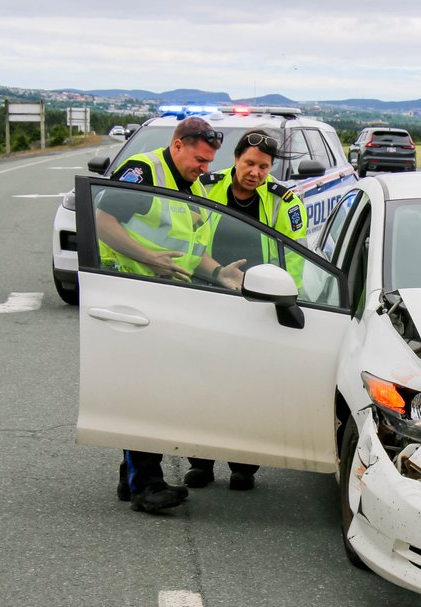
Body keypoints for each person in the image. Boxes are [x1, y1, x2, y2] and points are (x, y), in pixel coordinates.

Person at [97, 116, 244, 512]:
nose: (205, 168)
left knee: (154, 392)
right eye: (199, 158)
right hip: (130, 294)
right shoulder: (145, 172)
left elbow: (187, 253)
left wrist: (217, 272)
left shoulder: (192, 187)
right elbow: (101, 220)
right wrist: (147, 257)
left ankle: (134, 480)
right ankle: (147, 485)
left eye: (210, 161)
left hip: (164, 298)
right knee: (143, 394)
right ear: (177, 145)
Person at [181, 127, 310, 492]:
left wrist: (286, 299)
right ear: (236, 159)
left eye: (264, 167)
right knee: (201, 385)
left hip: (257, 301)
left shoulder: (285, 202)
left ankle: (243, 466)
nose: (255, 172)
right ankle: (201, 463)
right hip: (205, 292)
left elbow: (295, 259)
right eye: (249, 163)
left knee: (249, 389)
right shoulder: (205, 186)